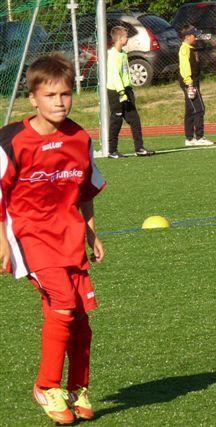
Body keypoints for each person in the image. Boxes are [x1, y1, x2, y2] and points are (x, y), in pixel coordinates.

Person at [0, 53, 106, 424]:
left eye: (65, 94)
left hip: (69, 235)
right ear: (33, 98)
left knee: (80, 318)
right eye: (50, 95)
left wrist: (91, 232)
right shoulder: (11, 141)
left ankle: (77, 388)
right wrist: (2, 241)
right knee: (63, 301)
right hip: (28, 234)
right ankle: (46, 386)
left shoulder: (79, 138)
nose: (59, 102)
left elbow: (87, 191)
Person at [106, 26, 154, 158]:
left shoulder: (123, 54)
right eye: (126, 37)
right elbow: (114, 75)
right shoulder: (113, 55)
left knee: (134, 120)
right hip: (116, 92)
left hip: (126, 90)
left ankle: (139, 148)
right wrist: (121, 92)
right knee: (116, 121)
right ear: (120, 38)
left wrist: (127, 90)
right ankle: (112, 151)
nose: (128, 39)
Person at [179, 25, 214, 146]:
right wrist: (189, 83)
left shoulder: (191, 48)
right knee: (199, 108)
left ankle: (189, 138)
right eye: (194, 35)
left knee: (190, 109)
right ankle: (199, 136)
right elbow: (185, 67)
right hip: (190, 82)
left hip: (193, 81)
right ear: (187, 37)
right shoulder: (185, 49)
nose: (196, 37)